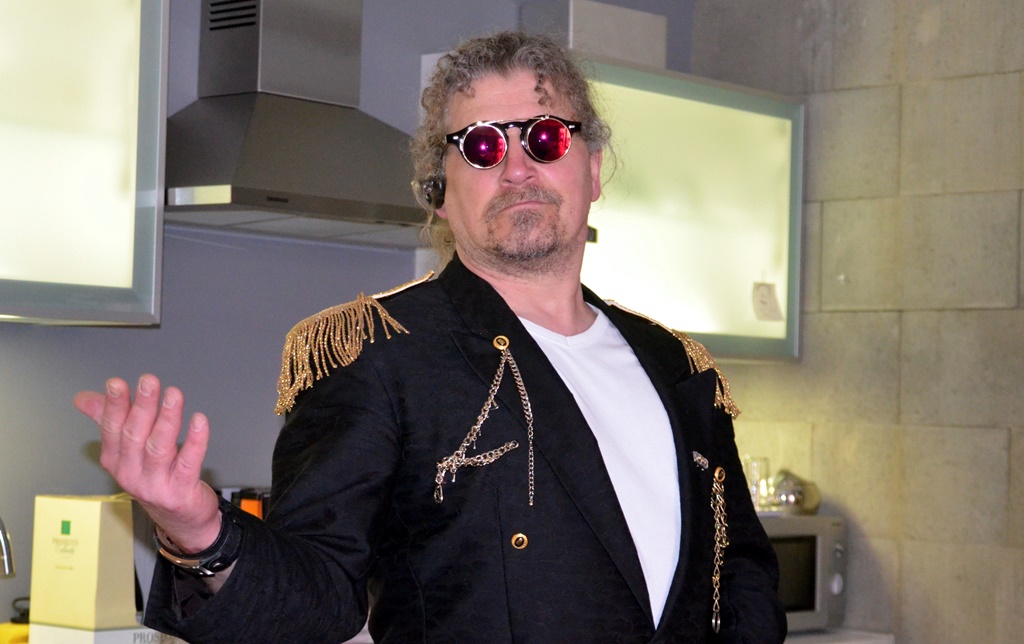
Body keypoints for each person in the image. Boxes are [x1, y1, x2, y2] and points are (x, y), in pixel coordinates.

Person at [74, 31, 785, 642]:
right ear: (439, 192)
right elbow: (318, 594)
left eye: (545, 137)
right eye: (481, 146)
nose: (516, 168)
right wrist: (202, 533)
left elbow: (741, 578)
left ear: (592, 170)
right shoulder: (377, 351)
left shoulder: (677, 365)